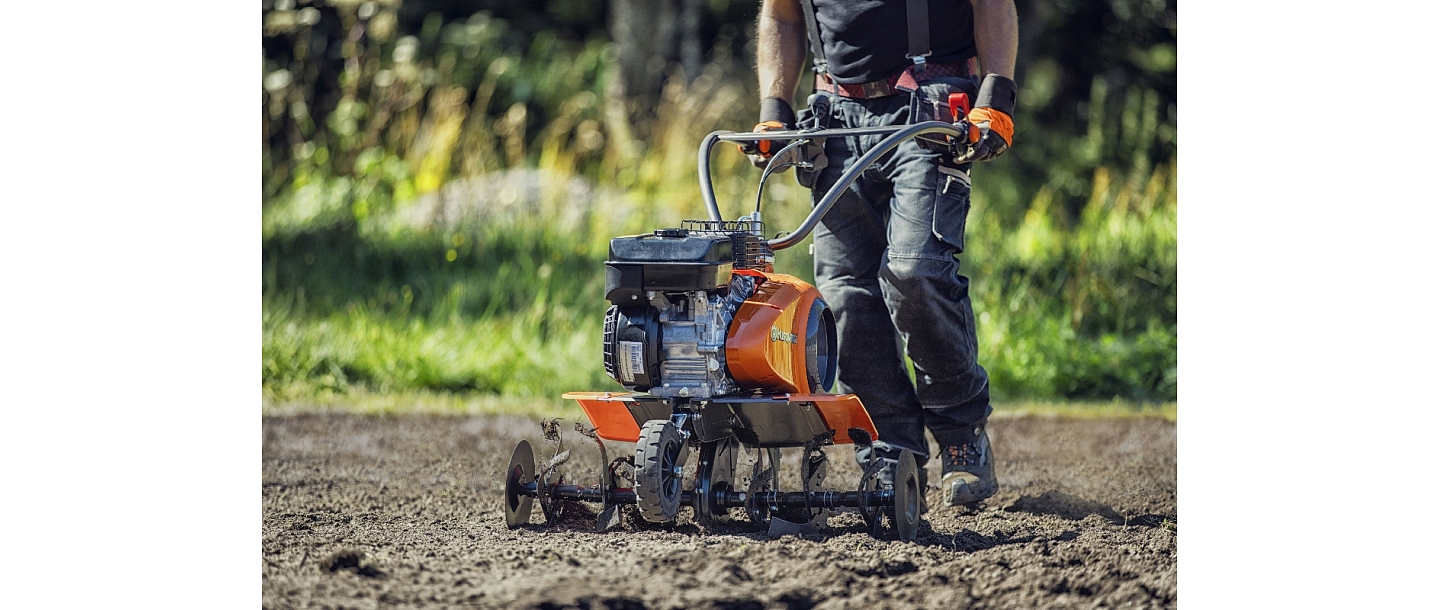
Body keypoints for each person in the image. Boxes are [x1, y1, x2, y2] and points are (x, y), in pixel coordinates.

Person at [749, 0, 1018, 508]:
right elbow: (783, 15)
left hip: (930, 109)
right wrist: (774, 108)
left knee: (914, 271)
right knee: (843, 298)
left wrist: (997, 95)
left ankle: (961, 432)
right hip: (834, 120)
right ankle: (894, 448)